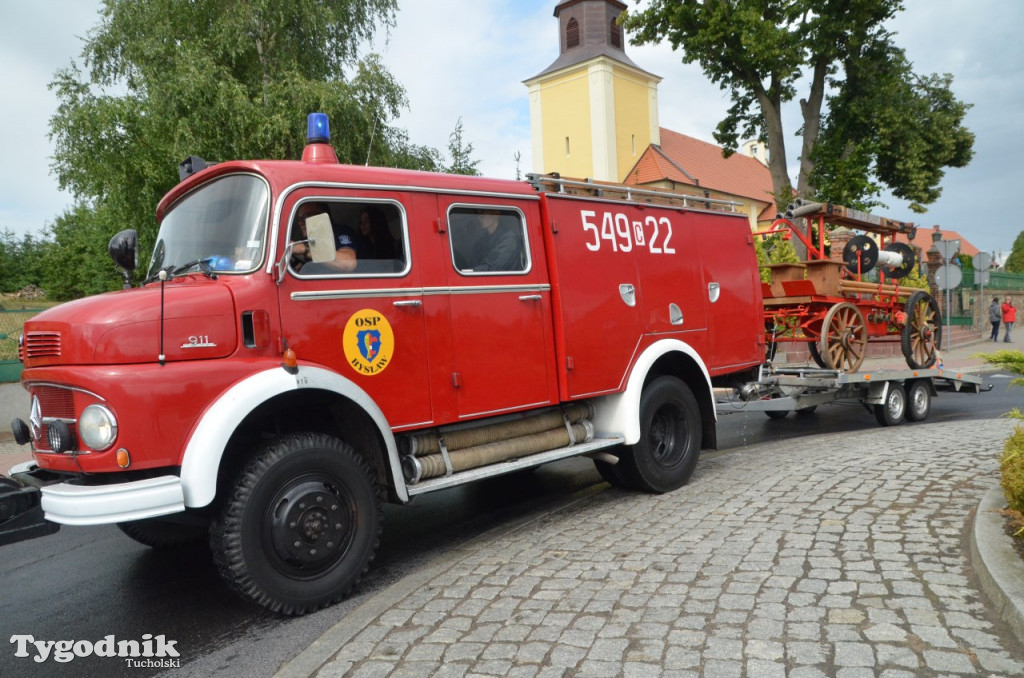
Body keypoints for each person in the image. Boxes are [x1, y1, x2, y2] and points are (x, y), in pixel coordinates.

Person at [290, 202, 367, 273]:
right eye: (299, 219)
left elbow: (348, 264)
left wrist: (304, 249)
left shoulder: (339, 231)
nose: (301, 222)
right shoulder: (312, 240)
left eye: (306, 216)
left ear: (323, 215)